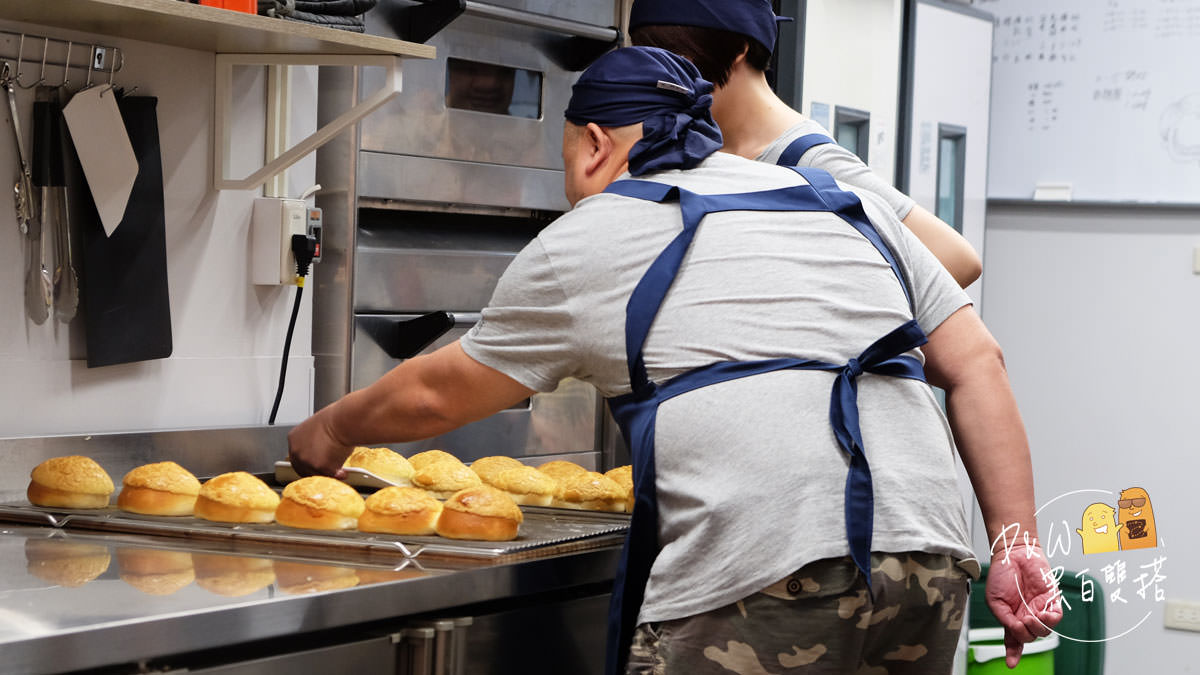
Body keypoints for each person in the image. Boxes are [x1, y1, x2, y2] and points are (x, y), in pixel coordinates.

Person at [288, 47, 1060, 674]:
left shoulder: (598, 231)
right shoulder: (838, 203)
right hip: (927, 551)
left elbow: (435, 394)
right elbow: (979, 362)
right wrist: (1015, 545)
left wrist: (329, 430)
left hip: (768, 557)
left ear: (594, 144)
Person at [628, 0, 983, 289]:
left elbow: (957, 259)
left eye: (671, 53)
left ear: (738, 48)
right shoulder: (691, 145)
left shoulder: (808, 159)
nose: (656, 73)